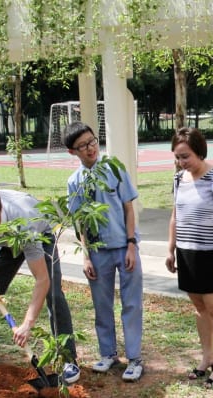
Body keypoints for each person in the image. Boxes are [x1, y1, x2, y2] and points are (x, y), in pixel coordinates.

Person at [0, 186, 80, 383]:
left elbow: (42, 279)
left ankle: (68, 358)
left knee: (54, 295)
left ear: (0, 211)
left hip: (40, 235)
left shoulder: (25, 223)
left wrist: (27, 324)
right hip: (8, 243)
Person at [64, 121, 144, 382]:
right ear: (72, 152)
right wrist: (86, 255)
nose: (90, 149)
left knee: (131, 304)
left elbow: (129, 208)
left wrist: (132, 244)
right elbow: (81, 222)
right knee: (102, 305)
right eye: (83, 146)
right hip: (98, 253)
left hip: (124, 247)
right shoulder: (74, 182)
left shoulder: (113, 168)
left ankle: (134, 358)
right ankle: (108, 353)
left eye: (92, 142)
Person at [165, 127, 213, 388]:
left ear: (199, 152)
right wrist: (171, 249)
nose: (182, 163)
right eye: (178, 157)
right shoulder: (178, 179)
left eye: (186, 156)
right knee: (199, 308)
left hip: (211, 254)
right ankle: (206, 357)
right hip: (186, 252)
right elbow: (176, 215)